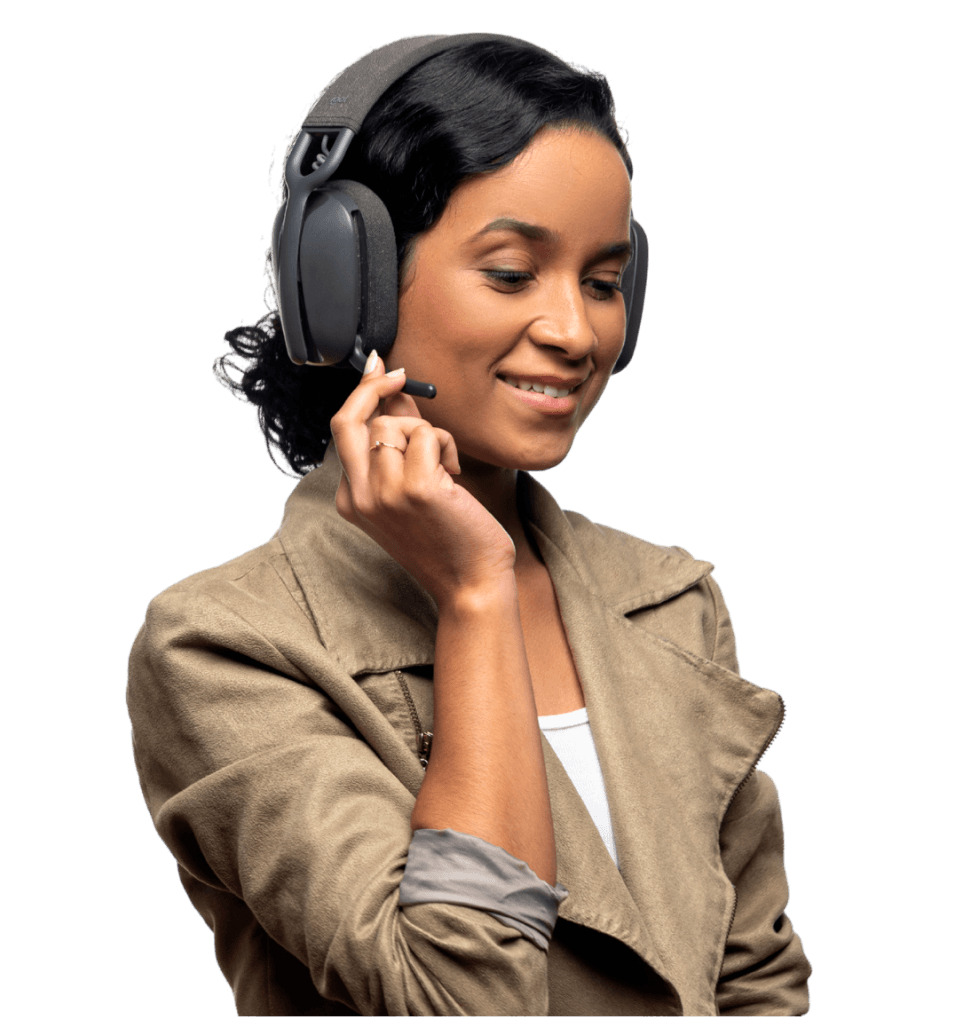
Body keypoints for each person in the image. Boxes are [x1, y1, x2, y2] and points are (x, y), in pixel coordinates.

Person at [126, 33, 812, 1017]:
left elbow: (756, 981)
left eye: (602, 281)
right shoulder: (225, 645)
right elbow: (459, 995)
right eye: (511, 272)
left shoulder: (667, 598)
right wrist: (477, 598)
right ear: (346, 282)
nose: (574, 333)